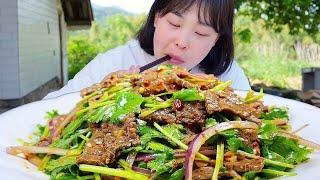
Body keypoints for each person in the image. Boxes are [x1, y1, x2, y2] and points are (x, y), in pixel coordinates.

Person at [45, 0, 250, 99]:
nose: (182, 42)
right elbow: (49, 108)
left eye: (202, 33)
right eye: (175, 24)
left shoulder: (229, 76)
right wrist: (105, 93)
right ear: (156, 18)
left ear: (216, 40)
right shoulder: (113, 63)